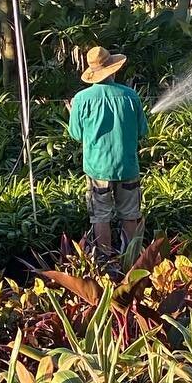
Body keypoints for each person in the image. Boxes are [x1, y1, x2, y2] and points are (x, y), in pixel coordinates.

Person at [68, 45, 148, 260]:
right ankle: (131, 261)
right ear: (113, 69)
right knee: (130, 214)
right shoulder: (130, 96)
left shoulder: (82, 99)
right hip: (127, 165)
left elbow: (76, 134)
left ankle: (105, 261)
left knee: (100, 215)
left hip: (98, 168)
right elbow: (142, 131)